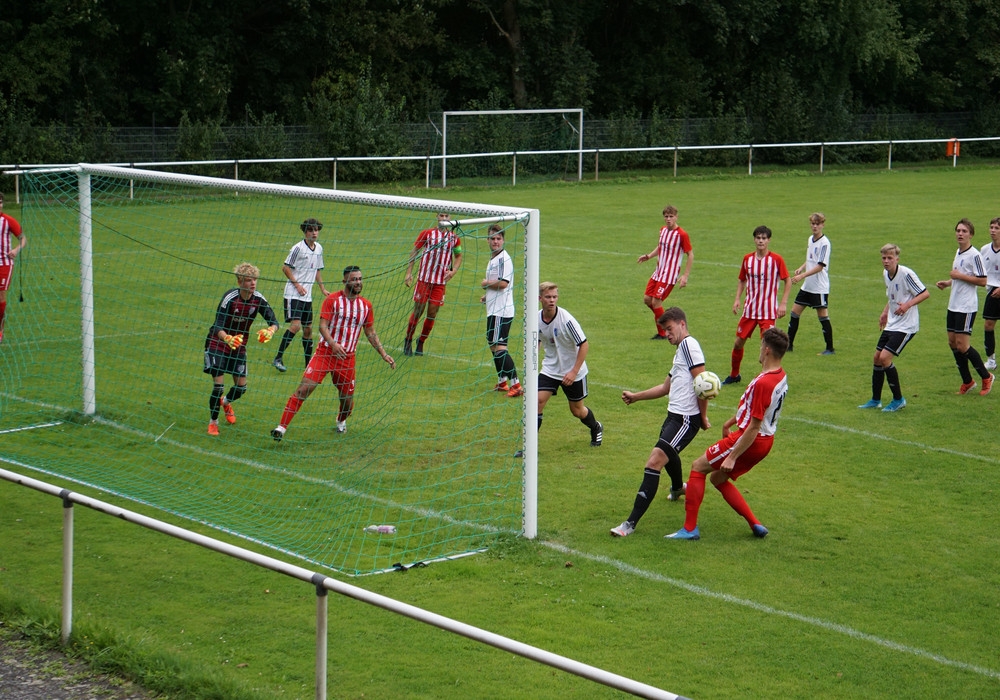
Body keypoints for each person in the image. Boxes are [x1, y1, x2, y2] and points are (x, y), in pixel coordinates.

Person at [665, 327, 789, 541]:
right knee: (718, 478)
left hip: (750, 439)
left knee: (698, 467)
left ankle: (689, 529)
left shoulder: (763, 382)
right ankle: (755, 524)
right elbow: (758, 410)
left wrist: (732, 456)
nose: (759, 350)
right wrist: (731, 421)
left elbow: (754, 426)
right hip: (766, 442)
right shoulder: (779, 376)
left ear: (767, 350)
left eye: (761, 346)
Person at [610, 307, 711, 537]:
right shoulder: (680, 352)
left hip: (686, 419)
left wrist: (703, 417)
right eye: (664, 330)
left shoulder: (688, 346)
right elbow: (666, 387)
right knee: (668, 455)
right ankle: (678, 488)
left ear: (682, 324)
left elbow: (703, 384)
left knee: (655, 460)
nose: (666, 334)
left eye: (669, 328)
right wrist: (636, 396)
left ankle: (629, 524)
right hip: (674, 416)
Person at [271, 266, 395, 441]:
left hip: (347, 358)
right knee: (304, 389)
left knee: (347, 401)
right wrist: (333, 343)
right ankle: (281, 427)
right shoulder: (332, 300)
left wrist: (384, 354)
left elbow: (371, 332)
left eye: (360, 279)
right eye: (354, 279)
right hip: (326, 353)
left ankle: (341, 420)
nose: (358, 282)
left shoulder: (366, 306)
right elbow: (323, 325)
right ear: (345, 281)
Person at [203, 263, 280, 436]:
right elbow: (217, 326)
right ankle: (213, 422)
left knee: (241, 388)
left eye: (255, 280)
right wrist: (227, 338)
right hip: (218, 342)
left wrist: (270, 331)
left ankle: (225, 403)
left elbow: (275, 322)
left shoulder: (258, 299)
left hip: (238, 346)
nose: (253, 283)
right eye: (248, 280)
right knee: (218, 387)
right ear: (239, 282)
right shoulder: (230, 298)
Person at [858, 244, 930, 412]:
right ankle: (876, 400)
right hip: (892, 322)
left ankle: (899, 399)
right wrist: (885, 312)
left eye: (890, 258)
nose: (886, 261)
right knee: (877, 358)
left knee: (885, 358)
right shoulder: (886, 274)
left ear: (897, 259)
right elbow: (891, 295)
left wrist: (907, 305)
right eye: (884, 258)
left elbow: (924, 293)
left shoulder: (906, 274)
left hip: (907, 326)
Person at [721, 226, 790, 386]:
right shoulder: (748, 259)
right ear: (754, 239)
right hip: (750, 310)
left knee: (767, 346)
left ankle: (766, 379)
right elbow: (742, 279)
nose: (761, 241)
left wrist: (783, 303)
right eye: (758, 238)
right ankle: (734, 375)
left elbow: (787, 280)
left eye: (764, 238)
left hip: (768, 311)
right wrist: (737, 299)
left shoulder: (776, 260)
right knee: (738, 342)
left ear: (769, 240)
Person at [537, 281, 603, 447]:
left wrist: (573, 372)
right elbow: (536, 339)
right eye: (548, 297)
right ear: (540, 298)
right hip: (550, 369)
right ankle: (529, 447)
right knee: (536, 402)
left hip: (573, 371)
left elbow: (584, 344)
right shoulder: (535, 318)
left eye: (554, 296)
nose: (552, 300)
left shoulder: (566, 320)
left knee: (577, 411)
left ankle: (596, 427)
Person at [935, 218, 993, 396]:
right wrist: (948, 282)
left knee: (962, 345)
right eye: (958, 230)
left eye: (964, 231)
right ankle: (967, 382)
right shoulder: (959, 252)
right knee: (952, 343)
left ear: (971, 234)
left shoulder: (974, 255)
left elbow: (983, 281)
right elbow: (959, 276)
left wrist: (959, 276)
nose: (960, 234)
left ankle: (986, 377)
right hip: (954, 304)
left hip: (966, 306)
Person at [273, 218, 330, 373]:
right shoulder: (297, 248)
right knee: (296, 326)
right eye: (311, 230)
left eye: (316, 230)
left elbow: (317, 270)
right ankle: (278, 358)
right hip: (293, 294)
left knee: (308, 330)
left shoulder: (318, 249)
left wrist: (323, 289)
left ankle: (308, 365)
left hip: (307, 297)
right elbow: (285, 268)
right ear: (305, 232)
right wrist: (297, 285)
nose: (314, 233)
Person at [403, 212, 463, 356]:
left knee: (431, 314)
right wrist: (409, 272)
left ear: (450, 218)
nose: (444, 218)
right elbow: (414, 251)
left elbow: (459, 255)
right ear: (437, 217)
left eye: (446, 216)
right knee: (418, 311)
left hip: (440, 283)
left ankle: (421, 342)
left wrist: (453, 271)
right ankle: (408, 340)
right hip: (424, 280)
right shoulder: (427, 234)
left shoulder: (454, 238)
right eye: (441, 215)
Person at [637, 205, 693, 340]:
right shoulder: (662, 230)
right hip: (658, 272)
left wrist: (685, 275)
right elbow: (661, 246)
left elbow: (690, 254)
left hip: (669, 275)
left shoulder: (681, 234)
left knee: (656, 302)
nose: (668, 219)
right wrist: (649, 256)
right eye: (666, 216)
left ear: (676, 217)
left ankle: (663, 332)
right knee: (647, 299)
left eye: (671, 216)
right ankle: (665, 319)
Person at [481, 224, 522, 397]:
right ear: (488, 240)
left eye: (498, 238)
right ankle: (502, 382)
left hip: (501, 311)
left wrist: (486, 284)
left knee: (499, 347)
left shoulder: (504, 259)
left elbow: (503, 283)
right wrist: (487, 296)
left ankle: (516, 385)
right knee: (493, 344)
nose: (495, 241)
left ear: (503, 240)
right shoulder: (493, 259)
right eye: (493, 238)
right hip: (494, 308)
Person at [787, 212, 834, 354]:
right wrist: (801, 267)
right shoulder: (810, 239)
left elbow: (820, 266)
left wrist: (801, 276)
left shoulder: (825, 243)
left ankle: (830, 348)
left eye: (817, 224)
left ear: (822, 225)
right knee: (794, 313)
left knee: (822, 316)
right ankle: (789, 346)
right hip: (808, 286)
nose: (814, 226)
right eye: (813, 223)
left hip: (819, 287)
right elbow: (811, 259)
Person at [0, 192, 26, 344]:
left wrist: (16, 250)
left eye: (0, 202)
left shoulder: (8, 221)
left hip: (4, 264)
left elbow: (23, 238)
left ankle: (0, 330)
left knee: (1, 298)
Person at [980, 217, 1000, 371]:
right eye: (991, 227)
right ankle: (991, 360)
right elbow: (977, 272)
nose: (993, 230)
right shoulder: (985, 249)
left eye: (996, 228)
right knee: (988, 325)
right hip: (992, 292)